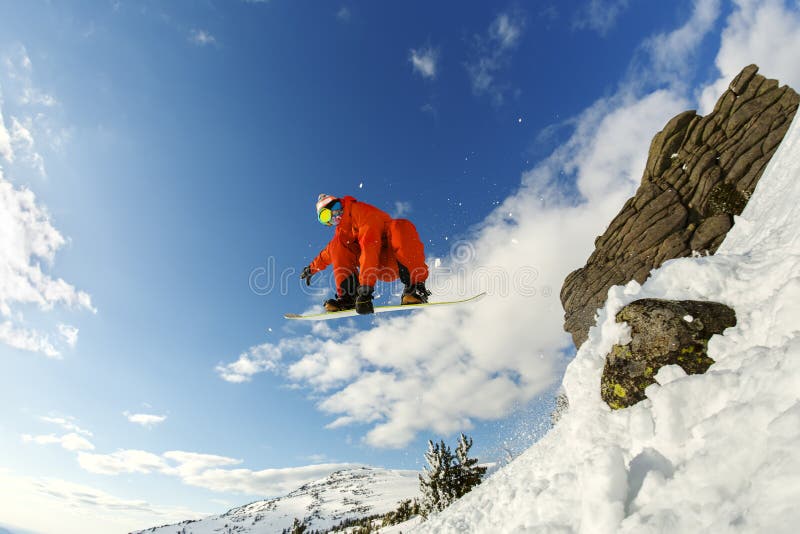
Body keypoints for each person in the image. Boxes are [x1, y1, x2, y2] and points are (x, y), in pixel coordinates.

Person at [300, 194, 431, 314]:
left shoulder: (362, 213)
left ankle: (415, 288)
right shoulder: (342, 232)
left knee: (401, 226)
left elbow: (370, 246)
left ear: (340, 204)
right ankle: (348, 298)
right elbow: (328, 253)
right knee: (337, 245)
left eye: (335, 208)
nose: (335, 217)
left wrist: (366, 289)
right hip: (375, 267)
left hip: (396, 259)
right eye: (326, 218)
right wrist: (311, 268)